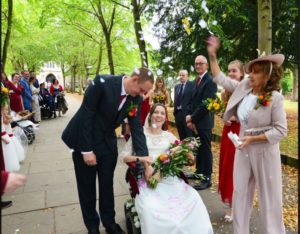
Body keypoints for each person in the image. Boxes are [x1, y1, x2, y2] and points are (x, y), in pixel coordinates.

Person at [207, 36, 287, 234]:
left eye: (256, 72)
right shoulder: (243, 87)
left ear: (267, 76)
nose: (250, 75)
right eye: (250, 71)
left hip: (265, 151)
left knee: (269, 198)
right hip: (242, 147)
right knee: (240, 193)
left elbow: (281, 130)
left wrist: (254, 138)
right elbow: (221, 78)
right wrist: (212, 55)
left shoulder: (275, 98)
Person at [61, 68, 154, 234]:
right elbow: (86, 115)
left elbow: (137, 128)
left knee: (107, 185)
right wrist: (86, 150)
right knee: (87, 187)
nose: (142, 94)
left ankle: (109, 223)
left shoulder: (135, 98)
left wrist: (144, 159)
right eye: (141, 89)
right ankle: (92, 226)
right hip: (85, 139)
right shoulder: (102, 83)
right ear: (133, 79)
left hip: (108, 143)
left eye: (145, 92)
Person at [120, 103, 213, 234]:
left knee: (194, 198)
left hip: (169, 178)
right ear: (150, 115)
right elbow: (124, 156)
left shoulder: (169, 136)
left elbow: (182, 151)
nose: (159, 115)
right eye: (156, 112)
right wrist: (141, 159)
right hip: (150, 179)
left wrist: (188, 155)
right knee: (150, 209)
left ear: (165, 118)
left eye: (162, 113)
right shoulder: (140, 135)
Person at [186, 55, 217, 190]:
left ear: (206, 65)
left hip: (204, 123)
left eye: (200, 63)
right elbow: (192, 101)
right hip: (195, 121)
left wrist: (192, 118)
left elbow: (206, 104)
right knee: (199, 148)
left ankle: (207, 178)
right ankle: (199, 172)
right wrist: (190, 117)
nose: (198, 66)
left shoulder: (210, 81)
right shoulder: (196, 81)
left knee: (205, 149)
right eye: (196, 64)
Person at [218, 60, 244, 222]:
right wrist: (223, 117)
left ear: (242, 73)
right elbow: (223, 110)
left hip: (240, 132)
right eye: (228, 71)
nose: (231, 74)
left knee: (238, 169)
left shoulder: (248, 90)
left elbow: (251, 115)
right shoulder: (225, 92)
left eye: (234, 71)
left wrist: (236, 118)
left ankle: (236, 207)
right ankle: (230, 205)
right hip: (228, 132)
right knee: (226, 166)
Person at [173, 69, 194, 140]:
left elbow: (193, 101)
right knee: (181, 135)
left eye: (183, 75)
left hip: (187, 115)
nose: (181, 77)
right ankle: (183, 150)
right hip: (177, 114)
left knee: (189, 135)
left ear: (187, 76)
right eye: (180, 75)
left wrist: (190, 113)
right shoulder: (177, 87)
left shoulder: (192, 85)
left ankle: (191, 150)